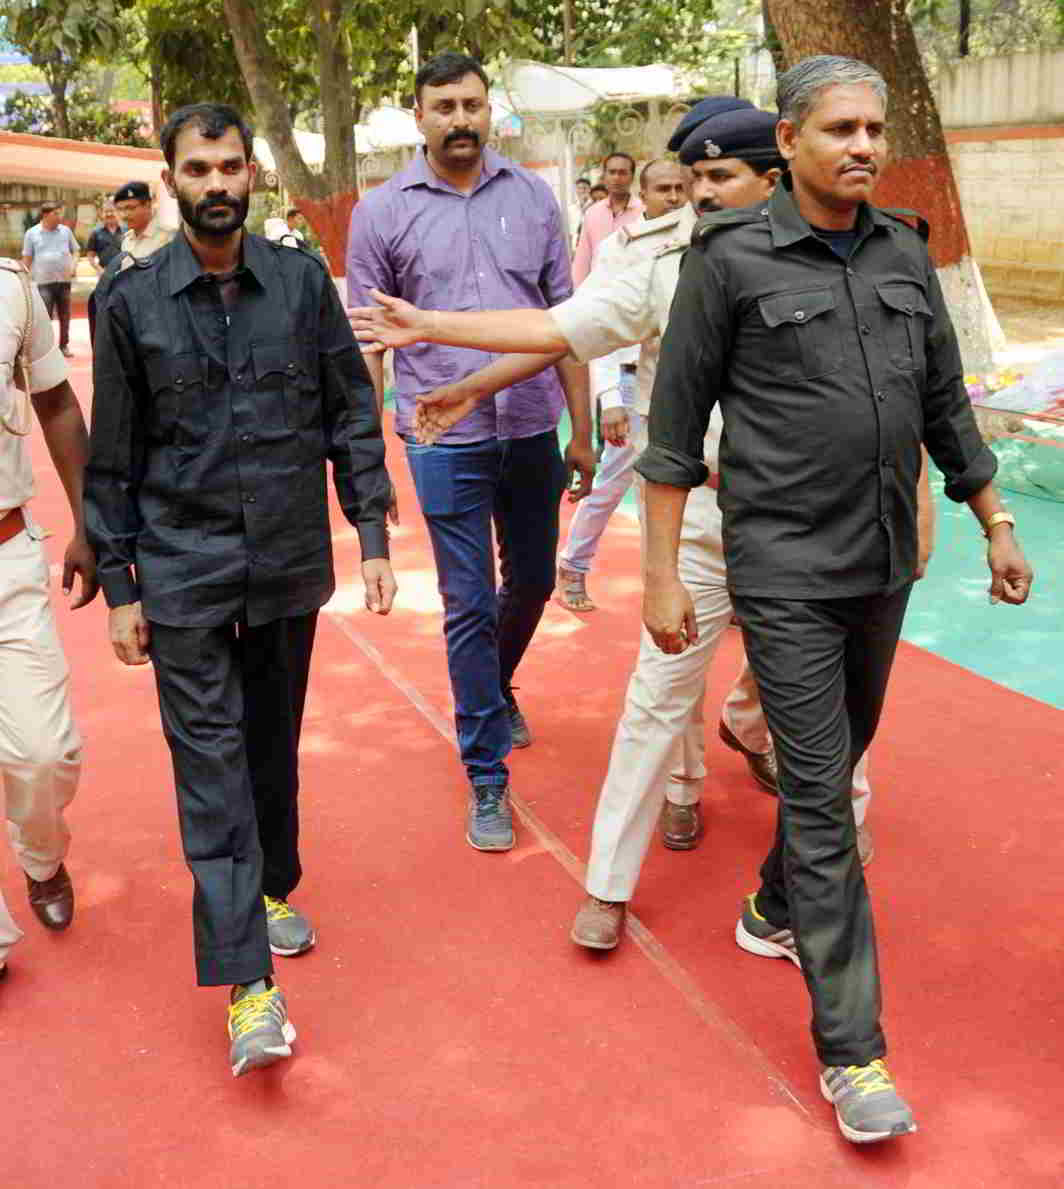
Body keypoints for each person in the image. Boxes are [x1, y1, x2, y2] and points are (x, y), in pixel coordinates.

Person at [345, 102, 893, 952]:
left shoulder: (852, 252)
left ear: (774, 178)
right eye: (691, 179)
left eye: (719, 178)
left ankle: (832, 849)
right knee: (655, 701)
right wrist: (438, 335)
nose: (698, 196)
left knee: (833, 708)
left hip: (820, 522)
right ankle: (608, 881)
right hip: (703, 514)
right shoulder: (662, 257)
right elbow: (560, 326)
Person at [637, 56, 1032, 1143]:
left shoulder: (904, 251)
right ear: (789, 139)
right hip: (781, 569)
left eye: (873, 128)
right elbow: (672, 433)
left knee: (838, 752)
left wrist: (993, 520)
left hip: (880, 563)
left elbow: (945, 408)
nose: (861, 145)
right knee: (820, 799)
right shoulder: (728, 262)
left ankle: (771, 903)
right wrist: (664, 572)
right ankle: (853, 1052)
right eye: (839, 128)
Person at [85, 102, 396, 1077]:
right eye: (197, 168)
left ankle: (269, 884)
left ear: (251, 173)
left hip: (286, 563)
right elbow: (111, 459)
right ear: (169, 176)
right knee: (211, 768)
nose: (215, 183)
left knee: (269, 743)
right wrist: (119, 581)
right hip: (180, 571)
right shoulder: (129, 303)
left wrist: (374, 530)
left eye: (229, 167)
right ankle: (250, 987)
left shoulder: (301, 284)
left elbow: (350, 408)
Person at [346, 51, 595, 854]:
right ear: (417, 116)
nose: (461, 119)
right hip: (438, 434)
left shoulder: (532, 199)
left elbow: (569, 323)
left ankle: (496, 681)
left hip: (531, 424)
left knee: (533, 576)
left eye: (474, 105)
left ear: (493, 113)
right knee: (465, 599)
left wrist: (583, 428)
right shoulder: (380, 212)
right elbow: (370, 343)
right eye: (445, 106)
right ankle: (486, 773)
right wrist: (368, 452)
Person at [0, 256, 98, 978]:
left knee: (45, 750)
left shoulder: (9, 290)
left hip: (6, 555)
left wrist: (90, 522)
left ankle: (42, 857)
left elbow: (57, 402)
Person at [556, 159, 688, 613]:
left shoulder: (698, 241)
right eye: (664, 189)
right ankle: (573, 565)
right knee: (614, 479)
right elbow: (596, 324)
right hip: (630, 383)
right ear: (644, 196)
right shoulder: (617, 248)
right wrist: (610, 400)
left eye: (679, 188)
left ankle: (707, 588)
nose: (673, 197)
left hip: (681, 384)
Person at [571, 152, 642, 286]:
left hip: (632, 292)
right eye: (612, 172)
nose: (616, 177)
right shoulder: (592, 213)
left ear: (632, 177)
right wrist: (576, 295)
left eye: (622, 173)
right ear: (604, 176)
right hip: (596, 292)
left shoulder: (644, 212)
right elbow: (582, 260)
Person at [21, 203, 79, 358]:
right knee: (45, 316)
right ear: (45, 215)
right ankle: (46, 349)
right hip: (43, 283)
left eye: (60, 214)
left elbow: (76, 251)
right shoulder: (31, 234)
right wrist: (23, 279)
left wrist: (73, 265)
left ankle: (64, 346)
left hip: (64, 281)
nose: (60, 217)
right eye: (56, 214)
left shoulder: (65, 232)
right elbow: (27, 258)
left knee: (65, 315)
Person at [114, 180, 173, 259]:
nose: (124, 215)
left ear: (147, 205)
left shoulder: (168, 238)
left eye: (130, 208)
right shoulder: (127, 241)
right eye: (120, 209)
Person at [85, 205, 125, 274]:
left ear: (118, 212)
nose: (109, 214)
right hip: (104, 274)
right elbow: (90, 256)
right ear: (102, 214)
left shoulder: (126, 231)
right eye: (106, 211)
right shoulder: (96, 233)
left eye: (112, 211)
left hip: (124, 274)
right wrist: (99, 269)